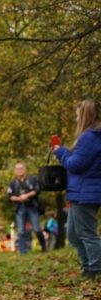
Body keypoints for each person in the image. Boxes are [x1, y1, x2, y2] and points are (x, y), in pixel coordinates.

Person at [53, 99, 101, 278]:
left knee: (87, 233)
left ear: (84, 115)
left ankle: (95, 269)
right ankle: (88, 265)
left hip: (85, 192)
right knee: (73, 234)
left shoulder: (89, 137)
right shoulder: (93, 136)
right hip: (80, 191)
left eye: (77, 115)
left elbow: (75, 164)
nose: (75, 118)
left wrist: (61, 152)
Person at [6, 162, 46, 254]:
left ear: (25, 169)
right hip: (20, 207)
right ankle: (23, 251)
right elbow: (10, 196)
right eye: (17, 169)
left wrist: (27, 195)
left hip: (32, 206)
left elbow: (37, 190)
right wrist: (19, 198)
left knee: (37, 229)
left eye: (21, 168)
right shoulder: (13, 183)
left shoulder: (32, 179)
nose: (19, 170)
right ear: (15, 171)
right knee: (21, 230)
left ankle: (43, 247)